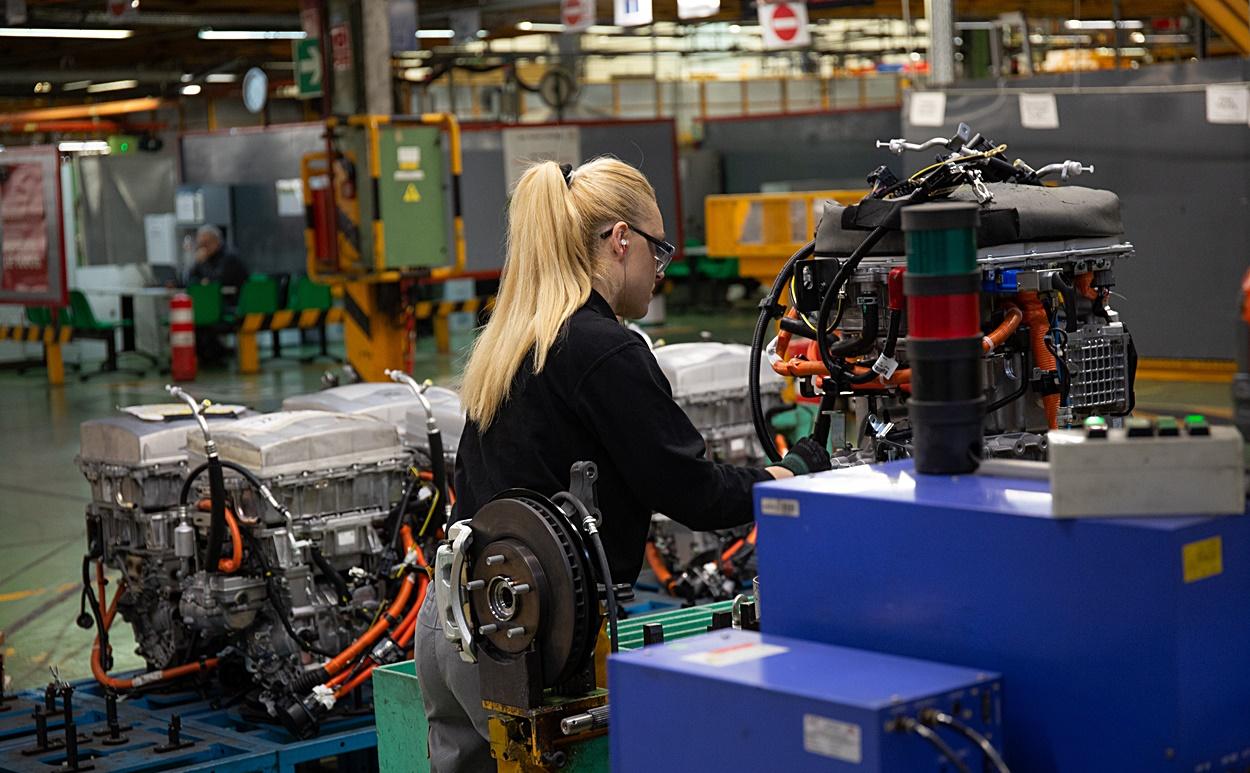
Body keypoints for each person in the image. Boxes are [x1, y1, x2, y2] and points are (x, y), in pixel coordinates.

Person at [415, 157, 831, 772]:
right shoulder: (604, 348)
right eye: (658, 252)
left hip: (452, 623)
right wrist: (788, 475)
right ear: (620, 240)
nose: (659, 273)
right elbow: (693, 493)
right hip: (527, 648)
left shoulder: (511, 339)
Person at [185, 224, 247, 365]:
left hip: (231, 304)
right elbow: (190, 281)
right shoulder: (206, 259)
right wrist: (196, 263)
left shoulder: (229, 257)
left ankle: (216, 354)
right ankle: (211, 355)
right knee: (191, 320)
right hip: (212, 304)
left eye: (206, 244)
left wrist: (204, 266)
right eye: (200, 245)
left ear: (216, 241)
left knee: (202, 321)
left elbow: (216, 281)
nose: (203, 248)